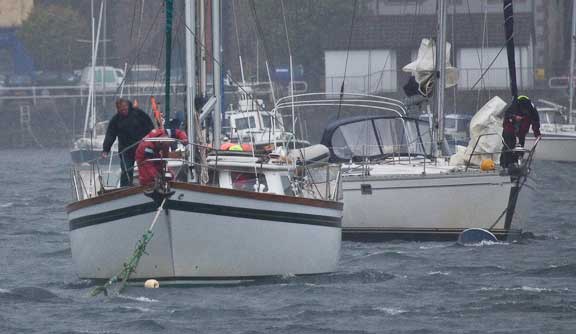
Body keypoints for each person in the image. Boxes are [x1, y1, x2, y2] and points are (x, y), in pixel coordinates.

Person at [102, 98, 154, 186]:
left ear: (128, 106)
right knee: (126, 171)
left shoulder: (138, 114)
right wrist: (106, 150)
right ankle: (125, 189)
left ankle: (149, 185)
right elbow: (110, 135)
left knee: (146, 169)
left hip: (142, 148)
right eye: (121, 110)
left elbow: (150, 127)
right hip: (126, 150)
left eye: (125, 109)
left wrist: (152, 142)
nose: (124, 111)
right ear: (118, 109)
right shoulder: (116, 119)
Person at [135, 120, 188, 186]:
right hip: (143, 158)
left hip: (156, 153)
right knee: (147, 178)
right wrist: (157, 176)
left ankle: (169, 184)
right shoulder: (147, 147)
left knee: (170, 175)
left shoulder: (166, 132)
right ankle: (148, 187)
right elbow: (148, 165)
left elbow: (179, 132)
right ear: (159, 143)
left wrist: (184, 138)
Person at [500, 95, 542, 168]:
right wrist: (514, 117)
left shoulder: (532, 110)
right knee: (508, 147)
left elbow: (535, 122)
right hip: (509, 130)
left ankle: (517, 164)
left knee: (520, 149)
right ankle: (505, 165)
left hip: (522, 132)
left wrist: (537, 134)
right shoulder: (514, 106)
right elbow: (507, 115)